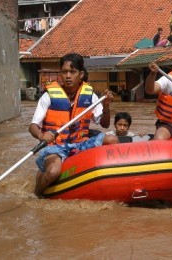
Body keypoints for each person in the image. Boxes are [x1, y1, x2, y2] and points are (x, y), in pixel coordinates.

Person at [29, 53, 119, 196]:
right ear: (60, 74)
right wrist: (41, 135)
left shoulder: (91, 96)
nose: (68, 76)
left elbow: (105, 124)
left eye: (73, 72)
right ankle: (36, 194)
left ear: (81, 74)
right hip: (55, 146)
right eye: (64, 72)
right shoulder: (48, 96)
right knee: (53, 171)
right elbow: (33, 126)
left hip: (80, 143)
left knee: (112, 140)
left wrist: (106, 106)